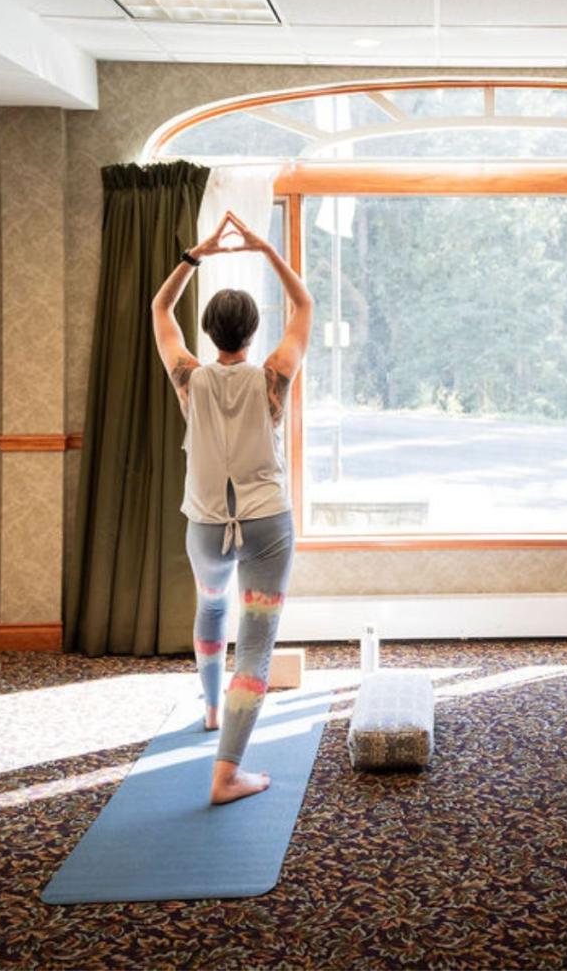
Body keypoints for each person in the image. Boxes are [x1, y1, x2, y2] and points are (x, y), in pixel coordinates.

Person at [151, 210, 313, 805]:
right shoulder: (273, 376)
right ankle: (227, 775)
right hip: (267, 522)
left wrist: (197, 254)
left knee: (210, 606)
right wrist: (266, 248)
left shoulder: (188, 377)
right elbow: (304, 308)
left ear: (211, 332)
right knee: (258, 644)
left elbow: (160, 311)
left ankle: (213, 709)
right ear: (251, 332)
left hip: (204, 526)